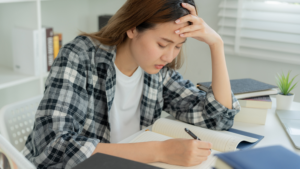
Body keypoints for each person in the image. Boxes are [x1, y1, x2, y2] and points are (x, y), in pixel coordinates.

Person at [22, 0, 241, 168]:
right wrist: (160, 151)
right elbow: (54, 148)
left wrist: (216, 45)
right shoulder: (80, 56)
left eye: (178, 46)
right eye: (163, 43)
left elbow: (217, 117)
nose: (169, 57)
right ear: (133, 28)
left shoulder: (156, 72)